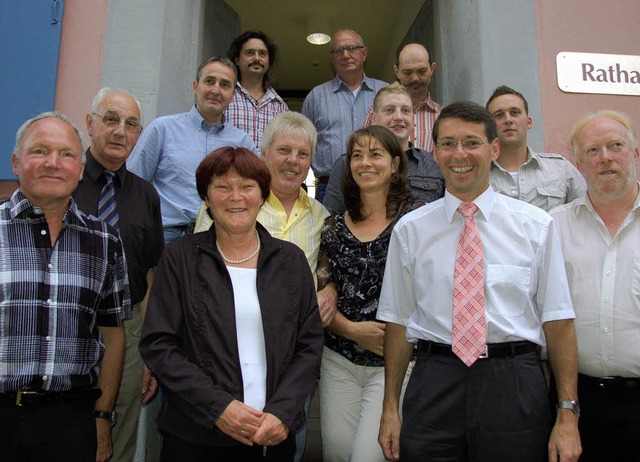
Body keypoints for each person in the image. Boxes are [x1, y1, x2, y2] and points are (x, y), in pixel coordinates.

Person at [376, 101, 582, 462]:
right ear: (435, 151)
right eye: (448, 143)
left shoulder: (536, 226)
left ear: (494, 149)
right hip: (434, 381)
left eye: (471, 142)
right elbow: (397, 321)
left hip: (514, 383)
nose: (460, 154)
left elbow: (559, 321)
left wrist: (567, 412)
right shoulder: (410, 231)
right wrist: (390, 408)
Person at [139, 147, 324, 461]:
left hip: (272, 437)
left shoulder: (290, 261)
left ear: (262, 196)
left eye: (247, 187)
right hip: (196, 437)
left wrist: (282, 413)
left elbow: (308, 345)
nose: (236, 197)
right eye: (223, 187)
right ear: (207, 199)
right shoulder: (180, 258)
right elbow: (159, 344)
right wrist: (218, 407)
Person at [193, 112, 338, 461]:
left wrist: (330, 287)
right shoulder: (235, 203)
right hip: (227, 348)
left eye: (303, 154)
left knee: (289, 440)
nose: (293, 161)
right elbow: (196, 270)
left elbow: (329, 270)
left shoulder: (321, 216)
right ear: (263, 153)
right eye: (284, 150)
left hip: (290, 355)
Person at [0, 112, 130, 462]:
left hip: (70, 421)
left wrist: (103, 418)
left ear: (79, 165)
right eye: (40, 151)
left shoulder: (105, 241)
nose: (53, 163)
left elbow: (113, 336)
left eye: (67, 154)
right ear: (16, 162)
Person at [316, 125, 420, 462]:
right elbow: (322, 297)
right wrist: (350, 330)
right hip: (339, 361)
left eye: (375, 154)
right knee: (338, 453)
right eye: (357, 155)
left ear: (394, 164)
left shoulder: (417, 222)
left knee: (367, 455)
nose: (365, 163)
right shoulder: (333, 226)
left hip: (394, 364)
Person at [72, 88, 165, 462]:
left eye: (130, 124)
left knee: (121, 425)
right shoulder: (66, 184)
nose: (120, 131)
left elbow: (150, 273)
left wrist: (146, 350)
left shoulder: (145, 195)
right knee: (70, 424)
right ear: (90, 123)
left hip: (127, 328)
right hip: (72, 324)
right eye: (110, 119)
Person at [550, 110, 640, 461]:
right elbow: (552, 322)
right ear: (578, 163)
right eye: (592, 150)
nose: (605, 158)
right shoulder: (555, 227)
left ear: (634, 153)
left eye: (615, 146)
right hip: (577, 403)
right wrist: (565, 410)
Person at [127, 56, 257, 244]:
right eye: (209, 81)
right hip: (166, 237)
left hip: (221, 239)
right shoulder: (162, 129)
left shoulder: (242, 142)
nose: (215, 90)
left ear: (233, 93)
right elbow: (133, 185)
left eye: (225, 85)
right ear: (196, 86)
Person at [323, 82, 444, 214]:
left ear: (413, 119)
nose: (398, 117)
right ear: (374, 118)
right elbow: (331, 217)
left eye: (405, 110)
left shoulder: (433, 166)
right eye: (389, 110)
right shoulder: (348, 164)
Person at [302, 29, 387, 202]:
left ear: (364, 53)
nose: (345, 55)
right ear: (332, 59)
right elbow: (303, 144)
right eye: (339, 51)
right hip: (330, 188)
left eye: (352, 48)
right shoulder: (316, 97)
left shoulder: (384, 92)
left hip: (378, 185)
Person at [485, 85, 586, 211]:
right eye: (499, 115)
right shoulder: (479, 174)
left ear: (529, 122)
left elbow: (585, 214)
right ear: (489, 127)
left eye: (514, 113)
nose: (508, 120)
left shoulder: (561, 170)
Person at [363, 43, 442, 153]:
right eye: (407, 72)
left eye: (422, 71)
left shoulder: (442, 116)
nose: (415, 78)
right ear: (397, 72)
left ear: (432, 69)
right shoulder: (376, 114)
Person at [226, 30, 289, 148]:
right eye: (250, 53)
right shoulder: (226, 97)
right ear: (236, 59)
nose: (257, 58)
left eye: (262, 54)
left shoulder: (280, 106)